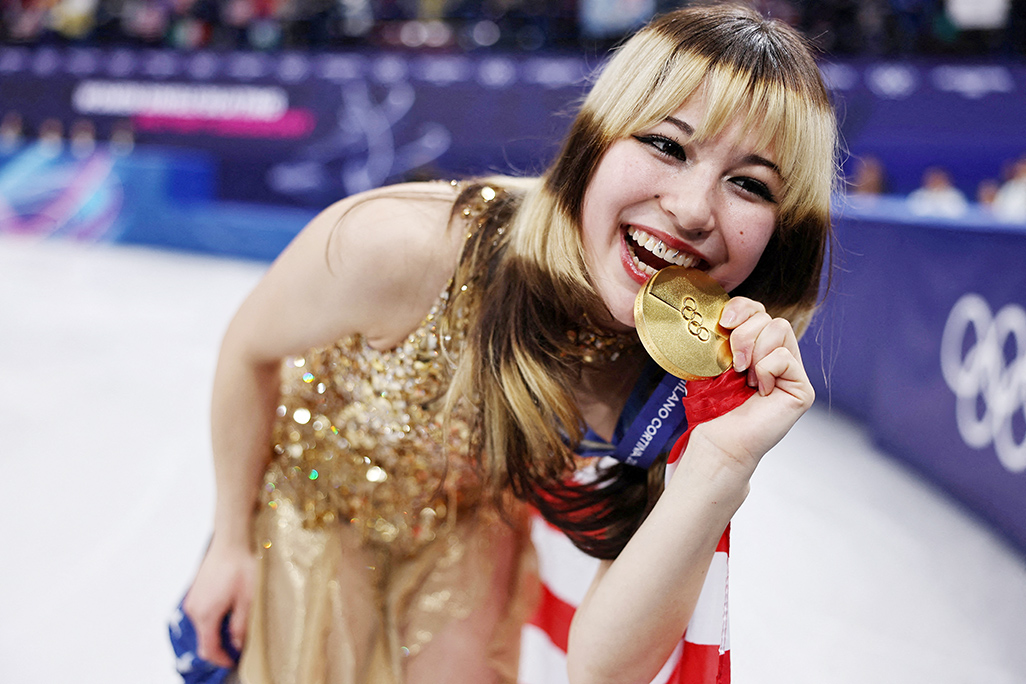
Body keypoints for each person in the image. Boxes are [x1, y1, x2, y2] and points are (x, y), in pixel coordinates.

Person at [178, 5, 837, 684]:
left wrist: (717, 466)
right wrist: (230, 540)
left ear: (783, 234)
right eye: (667, 145)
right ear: (593, 143)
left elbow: (604, 670)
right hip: (312, 528)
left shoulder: (690, 370)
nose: (694, 209)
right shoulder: (400, 247)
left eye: (751, 185)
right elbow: (247, 350)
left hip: (472, 552)